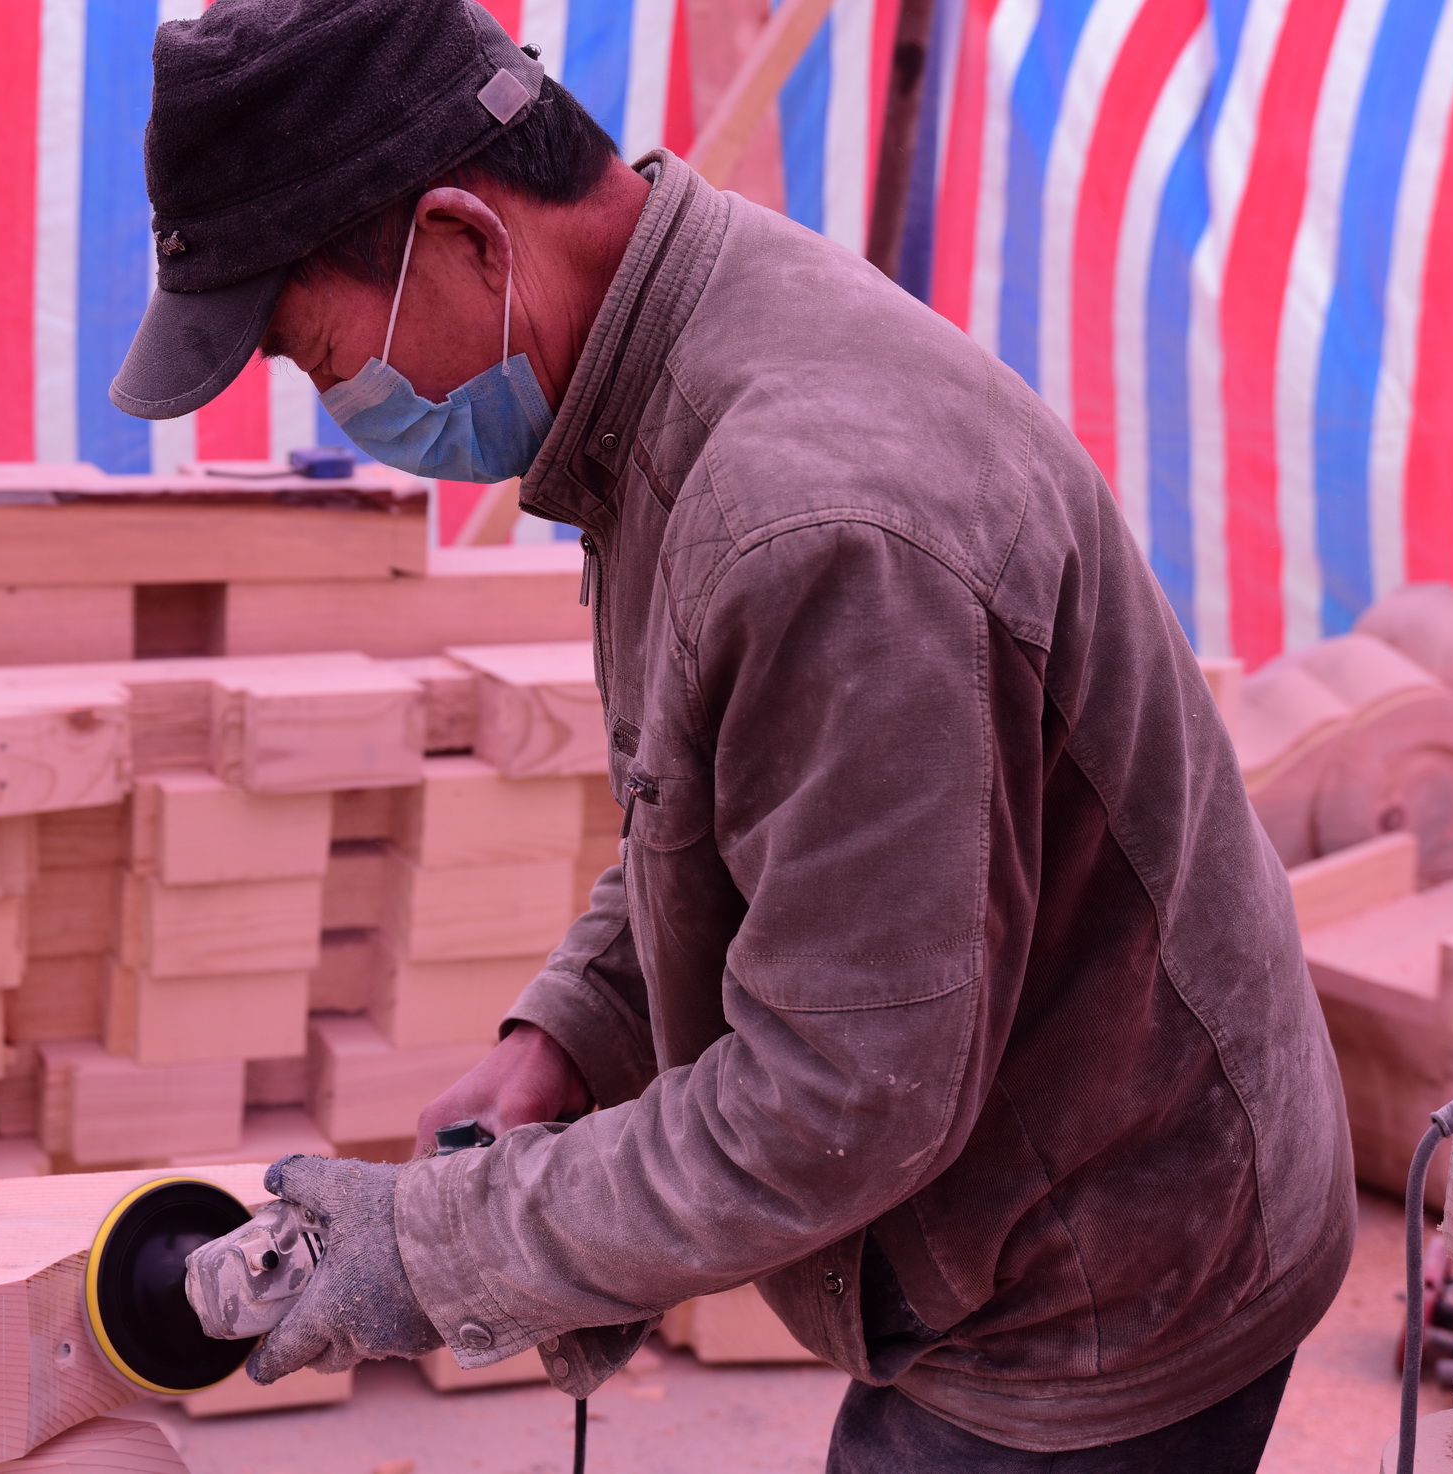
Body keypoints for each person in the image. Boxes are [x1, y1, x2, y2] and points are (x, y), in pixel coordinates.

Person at [109, 1, 1355, 1467]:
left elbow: (844, 1096)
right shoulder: (658, 368)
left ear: (467, 238)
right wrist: (570, 1034)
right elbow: (736, 813)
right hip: (1024, 1178)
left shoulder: (813, 518)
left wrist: (436, 1245)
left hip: (1110, 1265)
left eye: (329, 361)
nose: (352, 406)